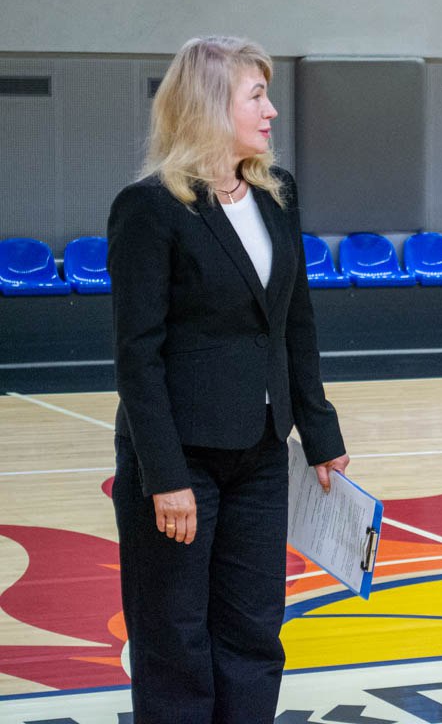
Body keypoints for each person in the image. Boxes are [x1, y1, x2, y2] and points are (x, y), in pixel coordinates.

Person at [108, 36, 349, 723]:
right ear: (210, 105)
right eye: (257, 96)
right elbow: (138, 356)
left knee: (253, 632)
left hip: (262, 452)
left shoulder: (277, 194)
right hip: (181, 459)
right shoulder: (149, 208)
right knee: (175, 641)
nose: (271, 111)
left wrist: (320, 432)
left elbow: (294, 319)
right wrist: (164, 476)